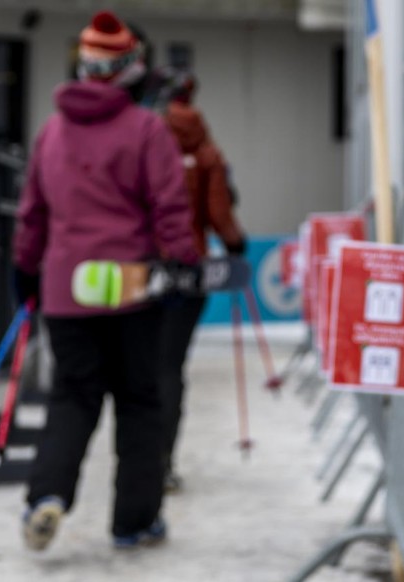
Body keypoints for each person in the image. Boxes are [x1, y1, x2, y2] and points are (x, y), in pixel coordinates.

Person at [12, 10, 198, 551]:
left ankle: (46, 496)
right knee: (140, 403)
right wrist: (182, 263)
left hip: (66, 289)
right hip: (131, 288)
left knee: (72, 397)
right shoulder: (146, 130)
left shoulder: (51, 133)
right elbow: (170, 206)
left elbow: (32, 216)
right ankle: (134, 522)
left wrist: (24, 272)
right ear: (128, 70)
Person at [158, 70, 247, 491]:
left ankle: (138, 463)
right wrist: (235, 244)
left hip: (143, 268)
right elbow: (219, 212)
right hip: (189, 269)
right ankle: (164, 461)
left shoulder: (147, 141)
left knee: (139, 369)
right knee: (171, 368)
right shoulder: (208, 151)